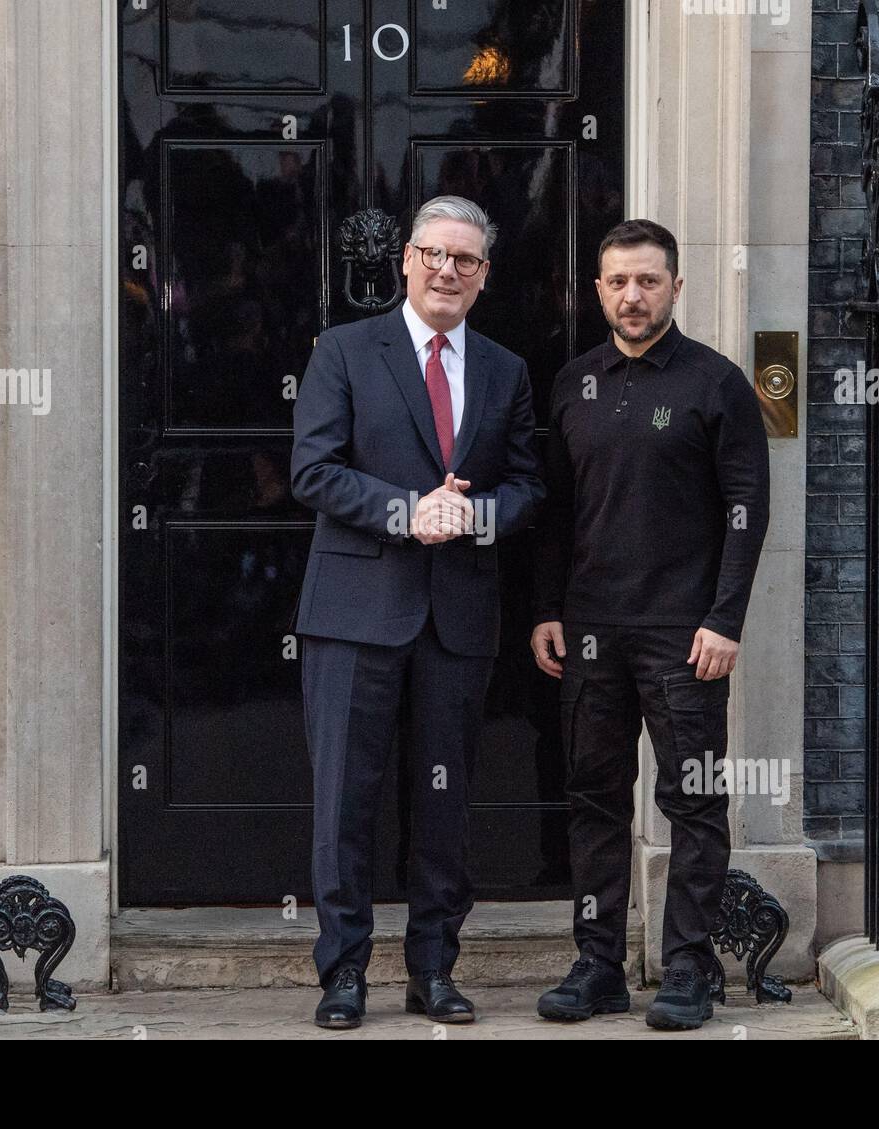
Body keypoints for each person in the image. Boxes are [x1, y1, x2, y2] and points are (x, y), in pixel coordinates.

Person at [291, 195, 544, 1028]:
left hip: (457, 617)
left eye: (464, 260)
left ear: (483, 276)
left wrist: (476, 515)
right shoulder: (344, 350)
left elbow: (529, 485)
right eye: (434, 254)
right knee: (346, 802)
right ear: (406, 258)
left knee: (445, 800)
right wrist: (409, 510)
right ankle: (344, 972)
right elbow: (314, 471)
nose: (447, 271)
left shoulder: (506, 369)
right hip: (355, 609)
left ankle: (433, 968)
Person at [530, 219, 770, 1030]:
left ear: (675, 286)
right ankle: (598, 962)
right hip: (591, 629)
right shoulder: (572, 383)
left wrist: (725, 618)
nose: (633, 296)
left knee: (692, 803)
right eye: (618, 282)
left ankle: (689, 969)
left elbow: (747, 511)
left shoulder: (718, 383)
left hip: (684, 634)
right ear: (597, 290)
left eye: (648, 281)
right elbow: (554, 512)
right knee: (595, 797)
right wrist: (546, 609)